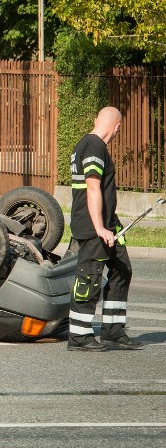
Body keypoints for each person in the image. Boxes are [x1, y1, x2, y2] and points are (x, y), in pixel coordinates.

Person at [67, 106, 143, 351]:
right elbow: (92, 187)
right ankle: (79, 337)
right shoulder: (95, 146)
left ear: (96, 119)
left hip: (108, 225)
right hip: (93, 228)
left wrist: (112, 222)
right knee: (89, 277)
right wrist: (100, 227)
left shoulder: (90, 145)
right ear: (117, 128)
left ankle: (113, 331)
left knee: (123, 270)